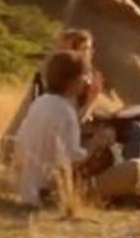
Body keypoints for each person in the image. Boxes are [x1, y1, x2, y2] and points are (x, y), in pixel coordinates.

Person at [15, 53, 92, 206]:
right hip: (51, 191)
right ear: (74, 81)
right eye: (85, 76)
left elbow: (20, 144)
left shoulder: (39, 103)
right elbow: (72, 160)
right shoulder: (66, 112)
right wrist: (98, 143)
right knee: (135, 168)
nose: (87, 81)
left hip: (29, 190)